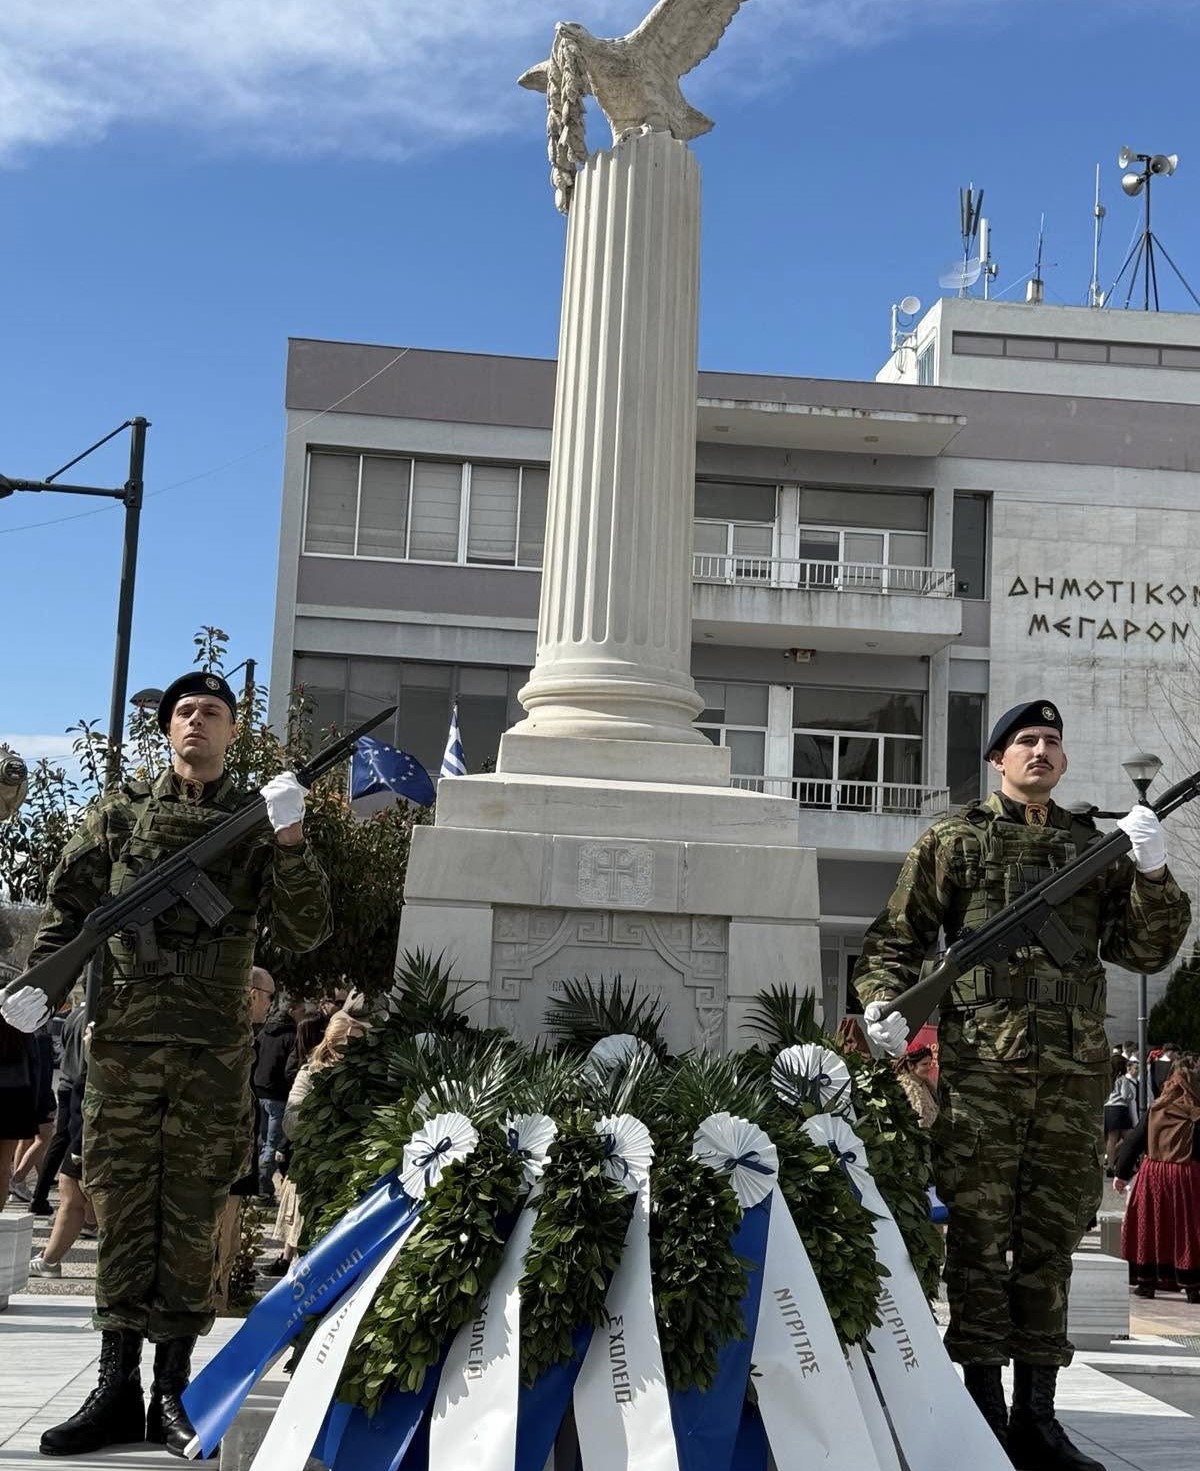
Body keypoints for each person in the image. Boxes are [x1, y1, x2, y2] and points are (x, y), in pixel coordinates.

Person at [1, 670, 331, 1459]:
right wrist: (35, 988)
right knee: (120, 1207)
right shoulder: (119, 813)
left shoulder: (257, 821)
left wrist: (292, 840)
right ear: (168, 729)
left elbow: (308, 928)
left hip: (212, 1058)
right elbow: (70, 908)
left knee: (188, 1215)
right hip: (121, 1051)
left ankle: (172, 1391)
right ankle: (115, 1386)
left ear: (232, 732)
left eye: (212, 712)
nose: (196, 721)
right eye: (184, 711)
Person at [853, 699, 1190, 1471]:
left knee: (1048, 1250)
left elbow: (1146, 950)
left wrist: (1152, 868)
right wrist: (882, 1004)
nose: (1040, 750)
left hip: (1072, 1083)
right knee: (976, 1244)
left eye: (1052, 742)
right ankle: (981, 1416)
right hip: (981, 1079)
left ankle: (1038, 1419)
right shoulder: (954, 839)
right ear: (998, 759)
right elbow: (895, 940)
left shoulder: (1089, 847)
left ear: (1064, 762)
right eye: (1025, 741)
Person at [213, 967, 277, 1313]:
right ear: (252, 994)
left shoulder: (249, 1036)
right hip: (223, 1158)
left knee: (230, 1242)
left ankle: (219, 1300)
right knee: (219, 1240)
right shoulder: (229, 1036)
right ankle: (213, 1302)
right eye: (268, 996)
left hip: (237, 1156)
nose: (270, 1005)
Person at [1114, 1053, 1200, 1304]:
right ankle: (1193, 1286)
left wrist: (1121, 1173)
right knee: (1187, 1230)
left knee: (1150, 1226)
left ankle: (1147, 1282)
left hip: (1153, 1176)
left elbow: (1132, 1142)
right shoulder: (1196, 1114)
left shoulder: (1157, 1109)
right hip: (1188, 1176)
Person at [30, 1019, 93, 1279]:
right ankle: (50, 1258)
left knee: (71, 1192)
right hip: (85, 1107)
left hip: (88, 1112)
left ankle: (50, 1259)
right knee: (75, 1192)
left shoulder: (79, 1021)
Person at [27, 999, 89, 1216]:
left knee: (60, 1140)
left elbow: (62, 1044)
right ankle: (81, 1207)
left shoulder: (71, 1016)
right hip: (82, 1085)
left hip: (65, 1082)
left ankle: (40, 1193)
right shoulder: (92, 1016)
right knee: (77, 1142)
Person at [252, 992, 307, 1199]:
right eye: (302, 1011)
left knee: (262, 1140)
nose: (304, 1014)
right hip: (277, 1096)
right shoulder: (291, 1036)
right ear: (292, 1011)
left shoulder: (265, 1031)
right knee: (271, 1143)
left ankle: (259, 1183)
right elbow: (289, 1069)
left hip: (260, 1091)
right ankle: (263, 1188)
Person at [1, 1015, 39, 1204]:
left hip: (14, 1094)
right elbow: (34, 1063)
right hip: (15, 1094)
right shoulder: (19, 1022)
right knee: (3, 1166)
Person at [1104, 1053, 1139, 1173]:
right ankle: (1132, 1166)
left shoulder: (1108, 1078)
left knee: (1111, 1139)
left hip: (1108, 1108)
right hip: (1120, 1109)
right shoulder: (1123, 1079)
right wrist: (1131, 1095)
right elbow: (1125, 1096)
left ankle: (1110, 1165)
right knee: (1130, 1139)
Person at [894, 1043, 939, 1128]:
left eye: (930, 1064)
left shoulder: (927, 1086)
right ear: (911, 1065)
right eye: (924, 1064)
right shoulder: (902, 1089)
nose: (929, 1067)